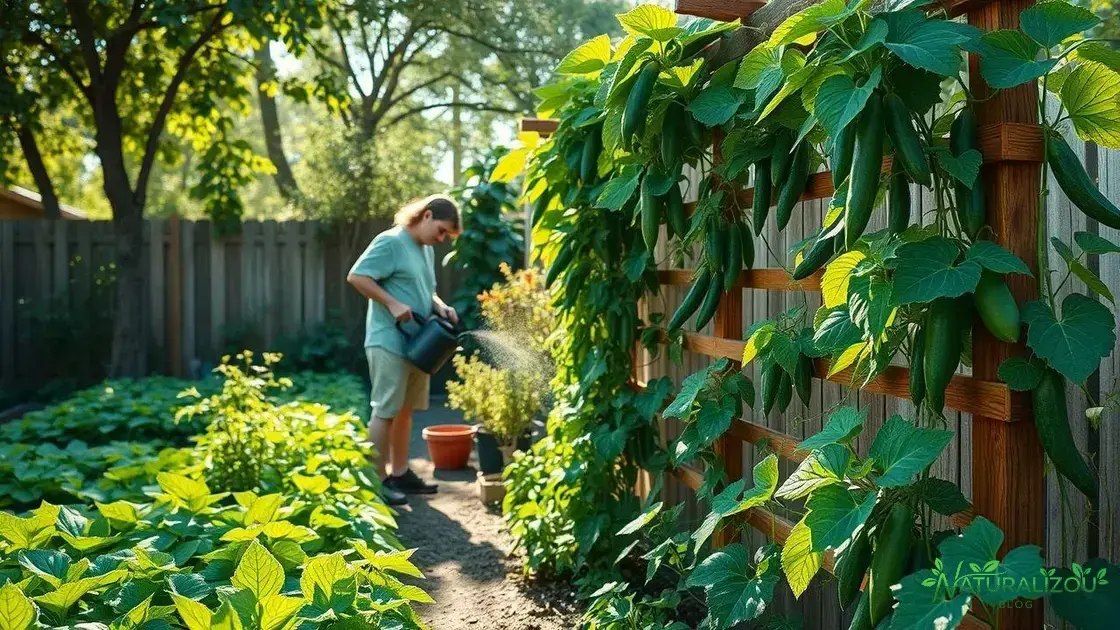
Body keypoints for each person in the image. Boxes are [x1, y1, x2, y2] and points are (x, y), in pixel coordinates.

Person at [346, 194, 461, 506]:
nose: (441, 239)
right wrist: (392, 303)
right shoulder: (390, 241)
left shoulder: (424, 250)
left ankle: (399, 473)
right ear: (425, 216)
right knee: (385, 410)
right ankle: (376, 481)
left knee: (405, 411)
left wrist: (441, 306)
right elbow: (357, 276)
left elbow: (425, 289)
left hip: (417, 344)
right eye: (440, 231)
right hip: (388, 341)